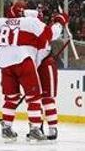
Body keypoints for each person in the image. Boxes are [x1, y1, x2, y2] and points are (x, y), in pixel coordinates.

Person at [0, 0, 66, 142]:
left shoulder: (1, 22)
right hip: (23, 61)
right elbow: (51, 34)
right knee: (34, 97)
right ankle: (35, 129)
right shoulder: (30, 22)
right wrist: (59, 21)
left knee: (11, 98)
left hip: (6, 65)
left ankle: (6, 127)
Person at [25, 8, 59, 140]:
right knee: (35, 99)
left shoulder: (38, 28)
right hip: (32, 66)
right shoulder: (38, 28)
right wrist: (59, 21)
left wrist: (59, 22)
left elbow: (54, 31)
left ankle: (52, 127)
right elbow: (55, 30)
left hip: (45, 64)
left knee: (46, 98)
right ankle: (36, 126)